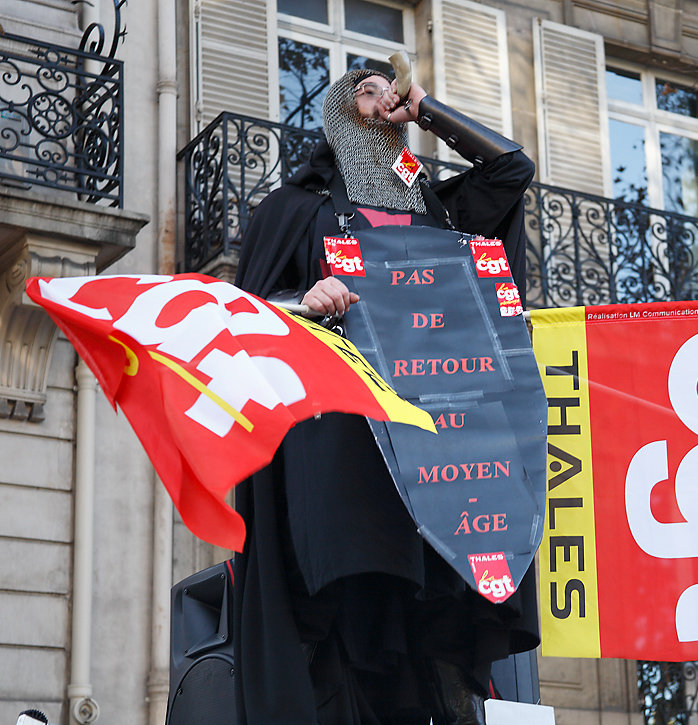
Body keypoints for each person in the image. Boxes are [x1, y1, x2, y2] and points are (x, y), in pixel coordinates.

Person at [233, 67, 539, 725]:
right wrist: (303, 300)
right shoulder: (296, 209)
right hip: (345, 429)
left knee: (448, 578)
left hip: (441, 425)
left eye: (390, 90)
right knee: (359, 576)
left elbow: (512, 171)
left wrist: (429, 110)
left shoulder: (443, 209)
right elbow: (248, 316)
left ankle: (447, 678)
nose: (384, 99)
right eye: (366, 90)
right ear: (340, 117)